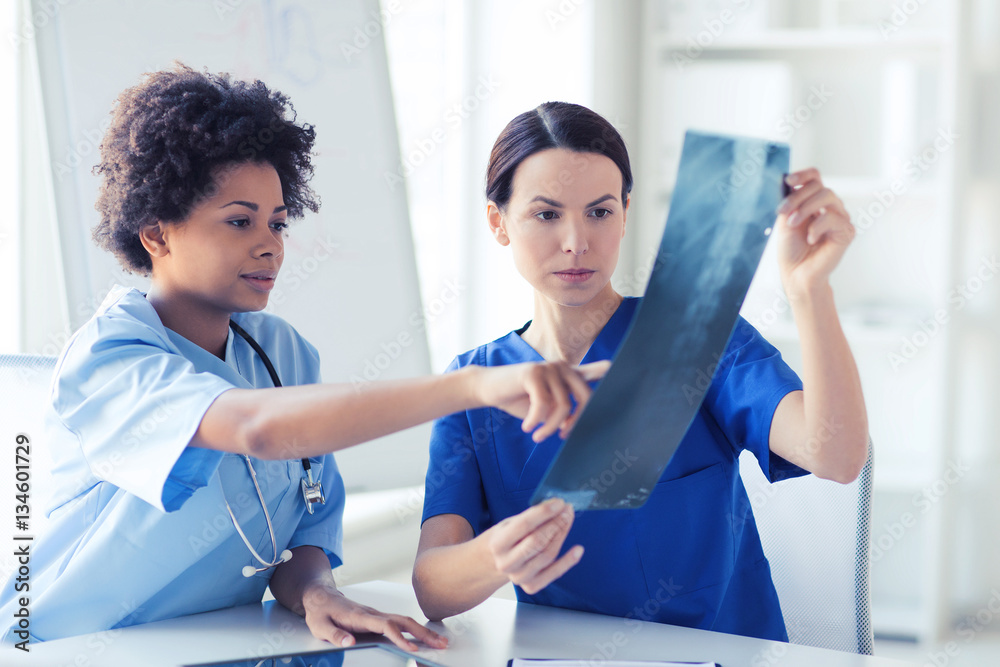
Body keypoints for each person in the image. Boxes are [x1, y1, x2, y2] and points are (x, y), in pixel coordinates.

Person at [0, 69, 607, 651]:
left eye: (279, 222)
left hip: (218, 649)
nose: (270, 244)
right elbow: (256, 429)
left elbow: (297, 535)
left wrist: (316, 592)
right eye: (239, 222)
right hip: (64, 647)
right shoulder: (110, 357)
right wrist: (473, 386)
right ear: (157, 235)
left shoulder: (283, 352)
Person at [412, 101, 869, 641]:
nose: (576, 241)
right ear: (499, 222)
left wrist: (808, 289)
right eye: (546, 214)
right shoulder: (475, 383)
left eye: (600, 212)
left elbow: (836, 457)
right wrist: (501, 554)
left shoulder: (697, 336)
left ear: (626, 213)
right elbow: (433, 589)